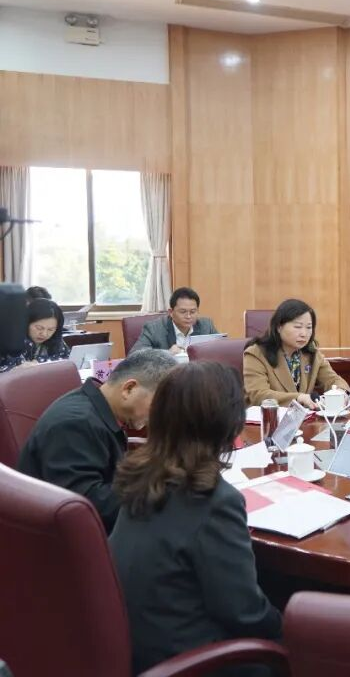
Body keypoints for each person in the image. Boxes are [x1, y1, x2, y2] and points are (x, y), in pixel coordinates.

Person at [109, 362, 282, 674]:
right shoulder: (215, 501)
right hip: (193, 660)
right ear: (228, 425)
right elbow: (245, 614)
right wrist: (296, 626)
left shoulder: (141, 473)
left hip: (136, 645)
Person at [16, 349, 176, 531]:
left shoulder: (101, 407)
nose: (159, 415)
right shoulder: (75, 425)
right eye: (158, 405)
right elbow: (87, 508)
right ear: (129, 389)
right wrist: (162, 493)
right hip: (59, 537)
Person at [243, 298, 349, 408]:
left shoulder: (311, 353)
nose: (304, 334)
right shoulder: (256, 354)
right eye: (298, 327)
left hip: (303, 417)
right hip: (267, 417)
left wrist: (341, 392)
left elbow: (332, 379)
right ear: (279, 327)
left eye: (309, 327)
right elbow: (258, 395)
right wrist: (299, 398)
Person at [131, 287, 219, 354]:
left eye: (193, 312)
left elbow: (222, 348)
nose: (188, 316)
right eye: (183, 312)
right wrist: (167, 353)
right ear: (171, 312)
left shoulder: (206, 326)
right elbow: (135, 354)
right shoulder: (154, 329)